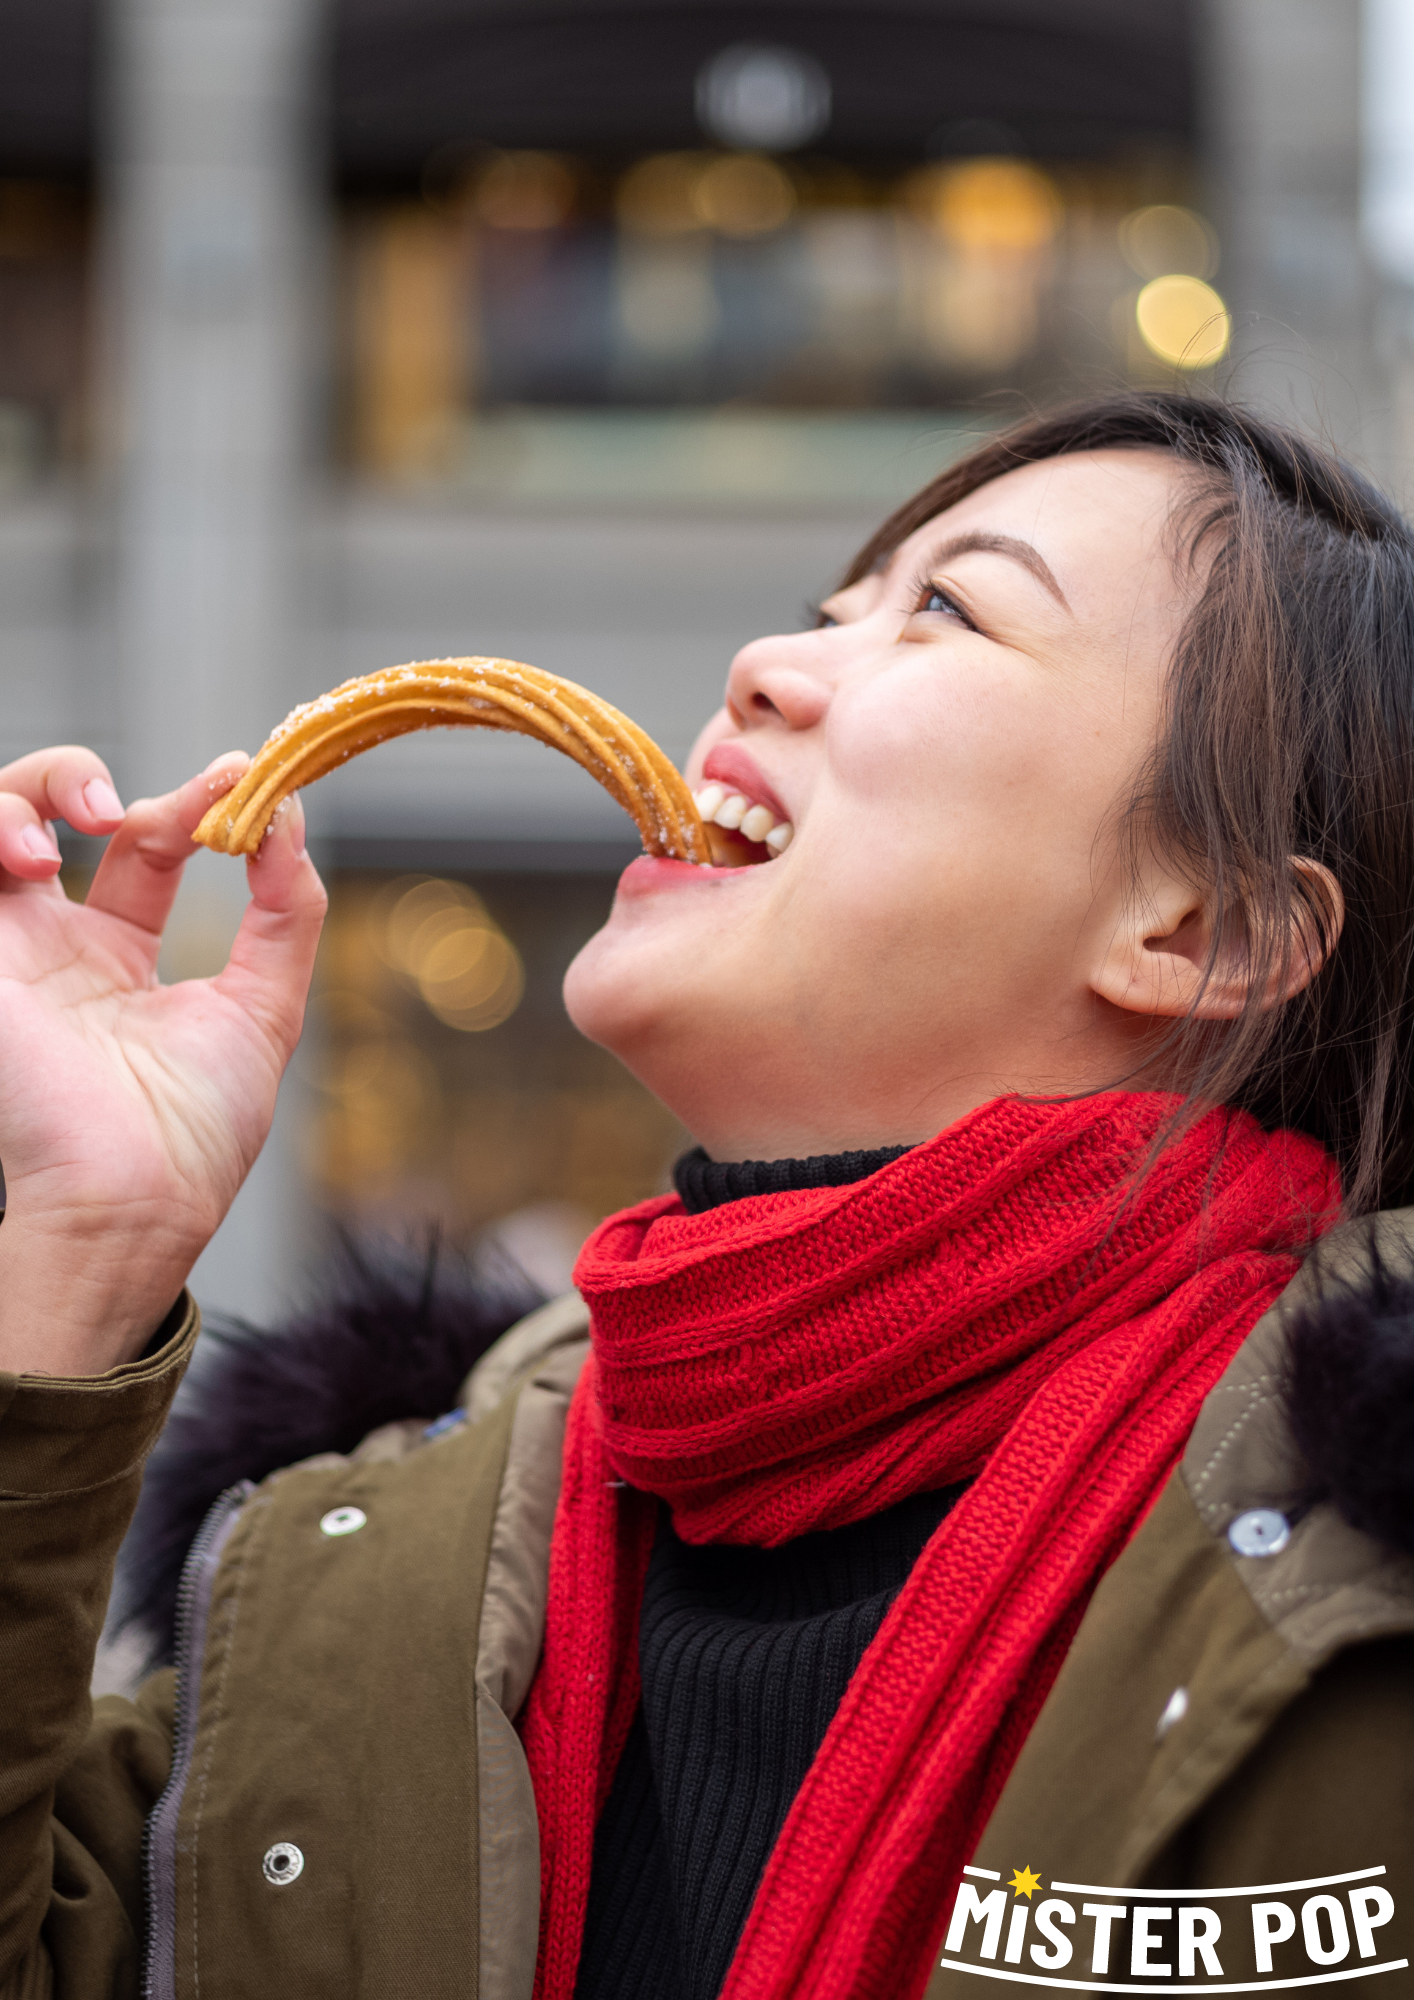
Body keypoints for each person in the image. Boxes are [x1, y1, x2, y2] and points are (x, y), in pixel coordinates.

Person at [3, 391, 1413, 2000]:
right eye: (832, 606)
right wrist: (77, 1247)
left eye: (945, 609)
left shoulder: (1364, 1588)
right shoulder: (333, 1574)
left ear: (1201, 932)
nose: (761, 663)